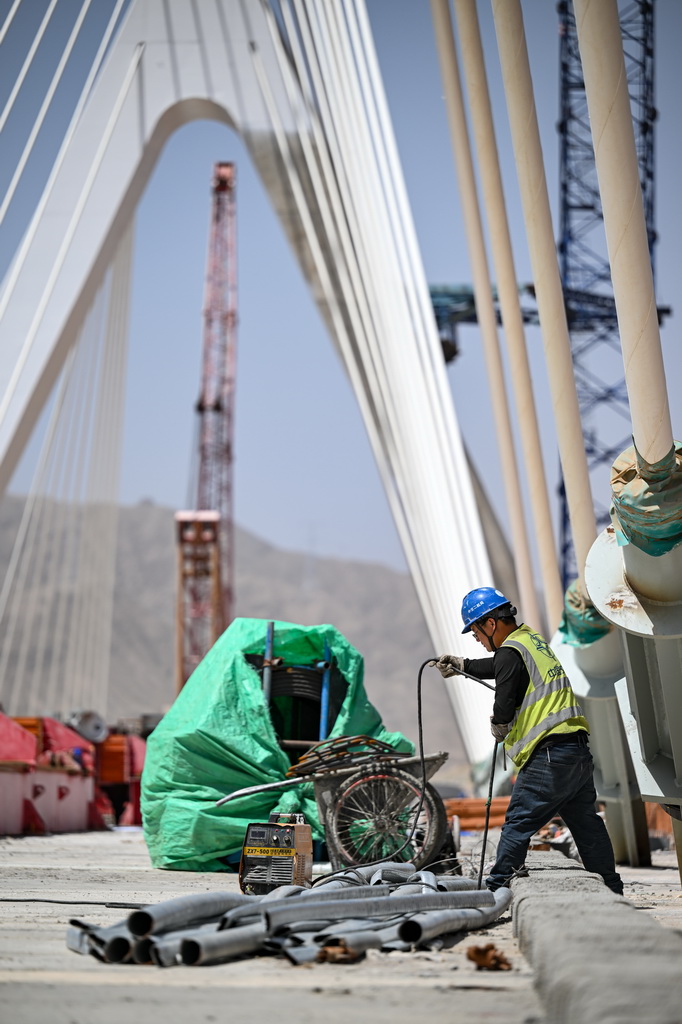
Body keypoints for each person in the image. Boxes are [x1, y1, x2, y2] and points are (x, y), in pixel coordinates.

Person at [434, 586, 623, 895]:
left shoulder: (510, 650)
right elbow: (500, 667)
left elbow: (504, 700)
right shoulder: (530, 641)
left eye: (476, 633)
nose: (477, 640)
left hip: (547, 755)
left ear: (491, 624)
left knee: (518, 823)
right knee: (587, 826)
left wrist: (499, 725)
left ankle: (495, 891)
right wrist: (462, 665)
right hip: (576, 752)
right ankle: (613, 890)